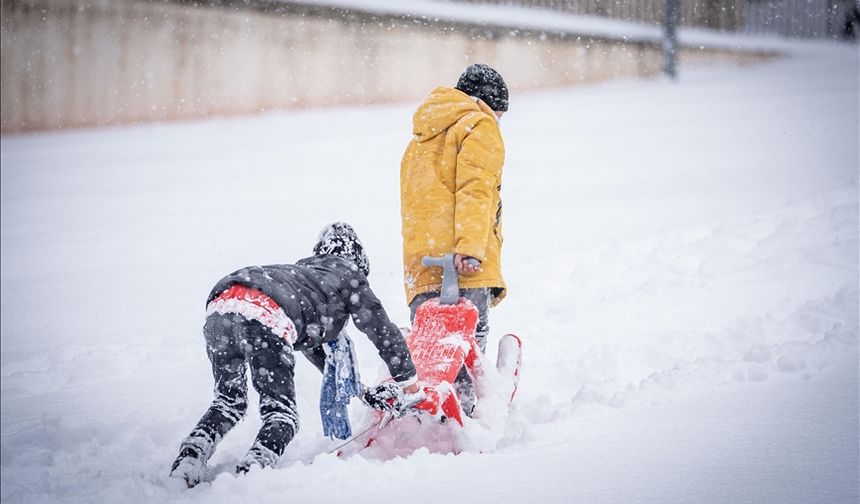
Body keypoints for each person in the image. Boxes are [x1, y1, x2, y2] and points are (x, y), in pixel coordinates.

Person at [169, 222, 424, 487]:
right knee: (282, 415)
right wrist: (409, 385)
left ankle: (190, 458)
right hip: (264, 312)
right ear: (359, 260)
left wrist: (363, 392)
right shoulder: (348, 275)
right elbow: (382, 331)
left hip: (222, 305)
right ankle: (253, 471)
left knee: (228, 403)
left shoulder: (304, 279)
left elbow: (325, 363)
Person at [400, 63, 509, 414]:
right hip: (463, 259)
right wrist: (470, 248)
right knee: (468, 341)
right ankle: (470, 409)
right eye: (501, 114)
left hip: (421, 263)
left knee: (433, 348)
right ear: (489, 104)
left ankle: (432, 409)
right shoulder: (480, 124)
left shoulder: (422, 135)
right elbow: (476, 191)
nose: (500, 121)